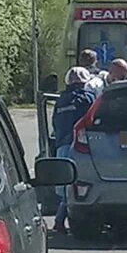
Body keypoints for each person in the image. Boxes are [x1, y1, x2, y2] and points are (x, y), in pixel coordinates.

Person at [52, 67, 96, 233]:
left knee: (65, 185)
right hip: (80, 145)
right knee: (79, 184)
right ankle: (62, 220)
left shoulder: (61, 100)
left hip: (61, 144)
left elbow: (55, 123)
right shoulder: (87, 98)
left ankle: (61, 219)